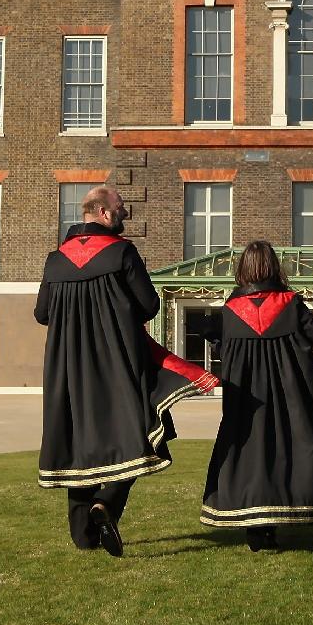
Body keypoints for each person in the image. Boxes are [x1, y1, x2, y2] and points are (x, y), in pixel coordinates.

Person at [35, 185, 217, 557]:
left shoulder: (55, 260)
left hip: (69, 369)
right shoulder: (121, 252)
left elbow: (43, 314)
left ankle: (83, 534)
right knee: (139, 433)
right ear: (102, 212)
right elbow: (149, 305)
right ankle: (107, 501)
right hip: (118, 364)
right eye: (121, 209)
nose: (125, 215)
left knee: (79, 441)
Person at [200, 241, 313, 551]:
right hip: (291, 393)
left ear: (244, 270)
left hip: (246, 400)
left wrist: (216, 344)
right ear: (273, 266)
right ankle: (287, 511)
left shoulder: (228, 311)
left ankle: (257, 526)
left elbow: (220, 345)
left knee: (251, 454)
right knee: (293, 447)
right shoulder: (290, 304)